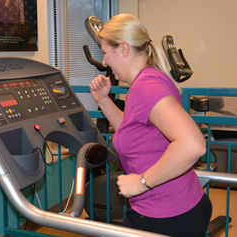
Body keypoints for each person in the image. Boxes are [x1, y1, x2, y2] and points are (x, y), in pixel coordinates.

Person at [89, 13, 212, 237]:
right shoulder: (148, 79)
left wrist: (142, 183)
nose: (104, 61)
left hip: (165, 216)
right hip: (180, 207)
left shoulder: (147, 86)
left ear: (123, 50)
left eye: (106, 52)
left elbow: (193, 144)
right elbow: (133, 132)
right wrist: (104, 101)